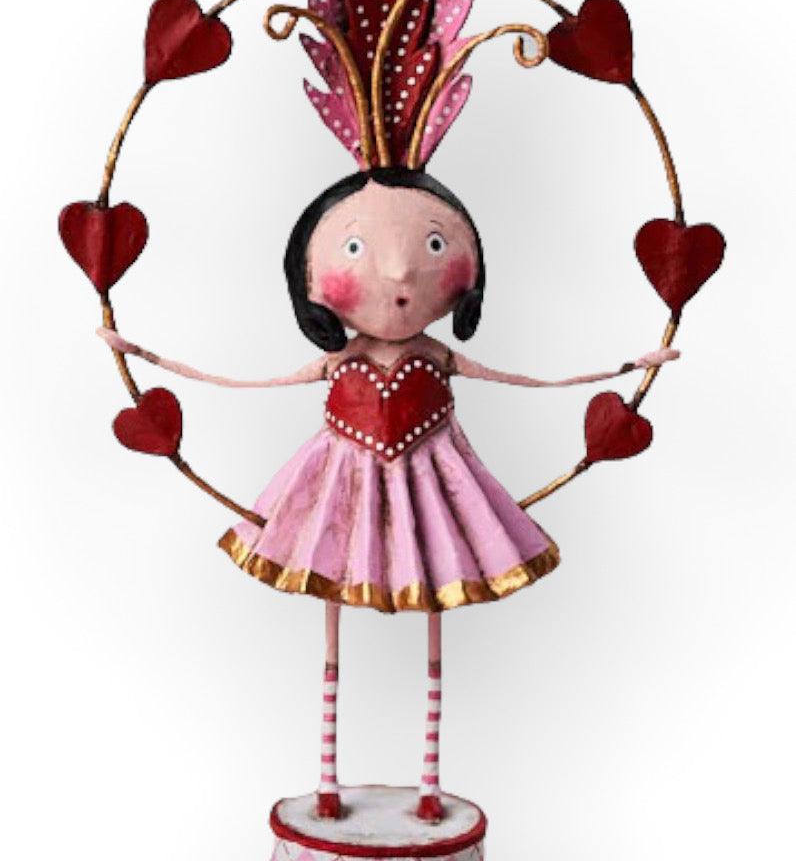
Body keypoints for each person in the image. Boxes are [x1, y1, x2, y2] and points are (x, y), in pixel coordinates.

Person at [98, 164, 678, 823]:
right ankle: (327, 776)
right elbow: (241, 383)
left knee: (435, 604)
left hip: (434, 486)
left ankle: (429, 780)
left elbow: (526, 380)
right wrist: (146, 356)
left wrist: (624, 369)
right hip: (338, 490)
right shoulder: (340, 362)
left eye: (434, 245)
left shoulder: (437, 357)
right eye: (355, 247)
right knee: (331, 614)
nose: (399, 271)